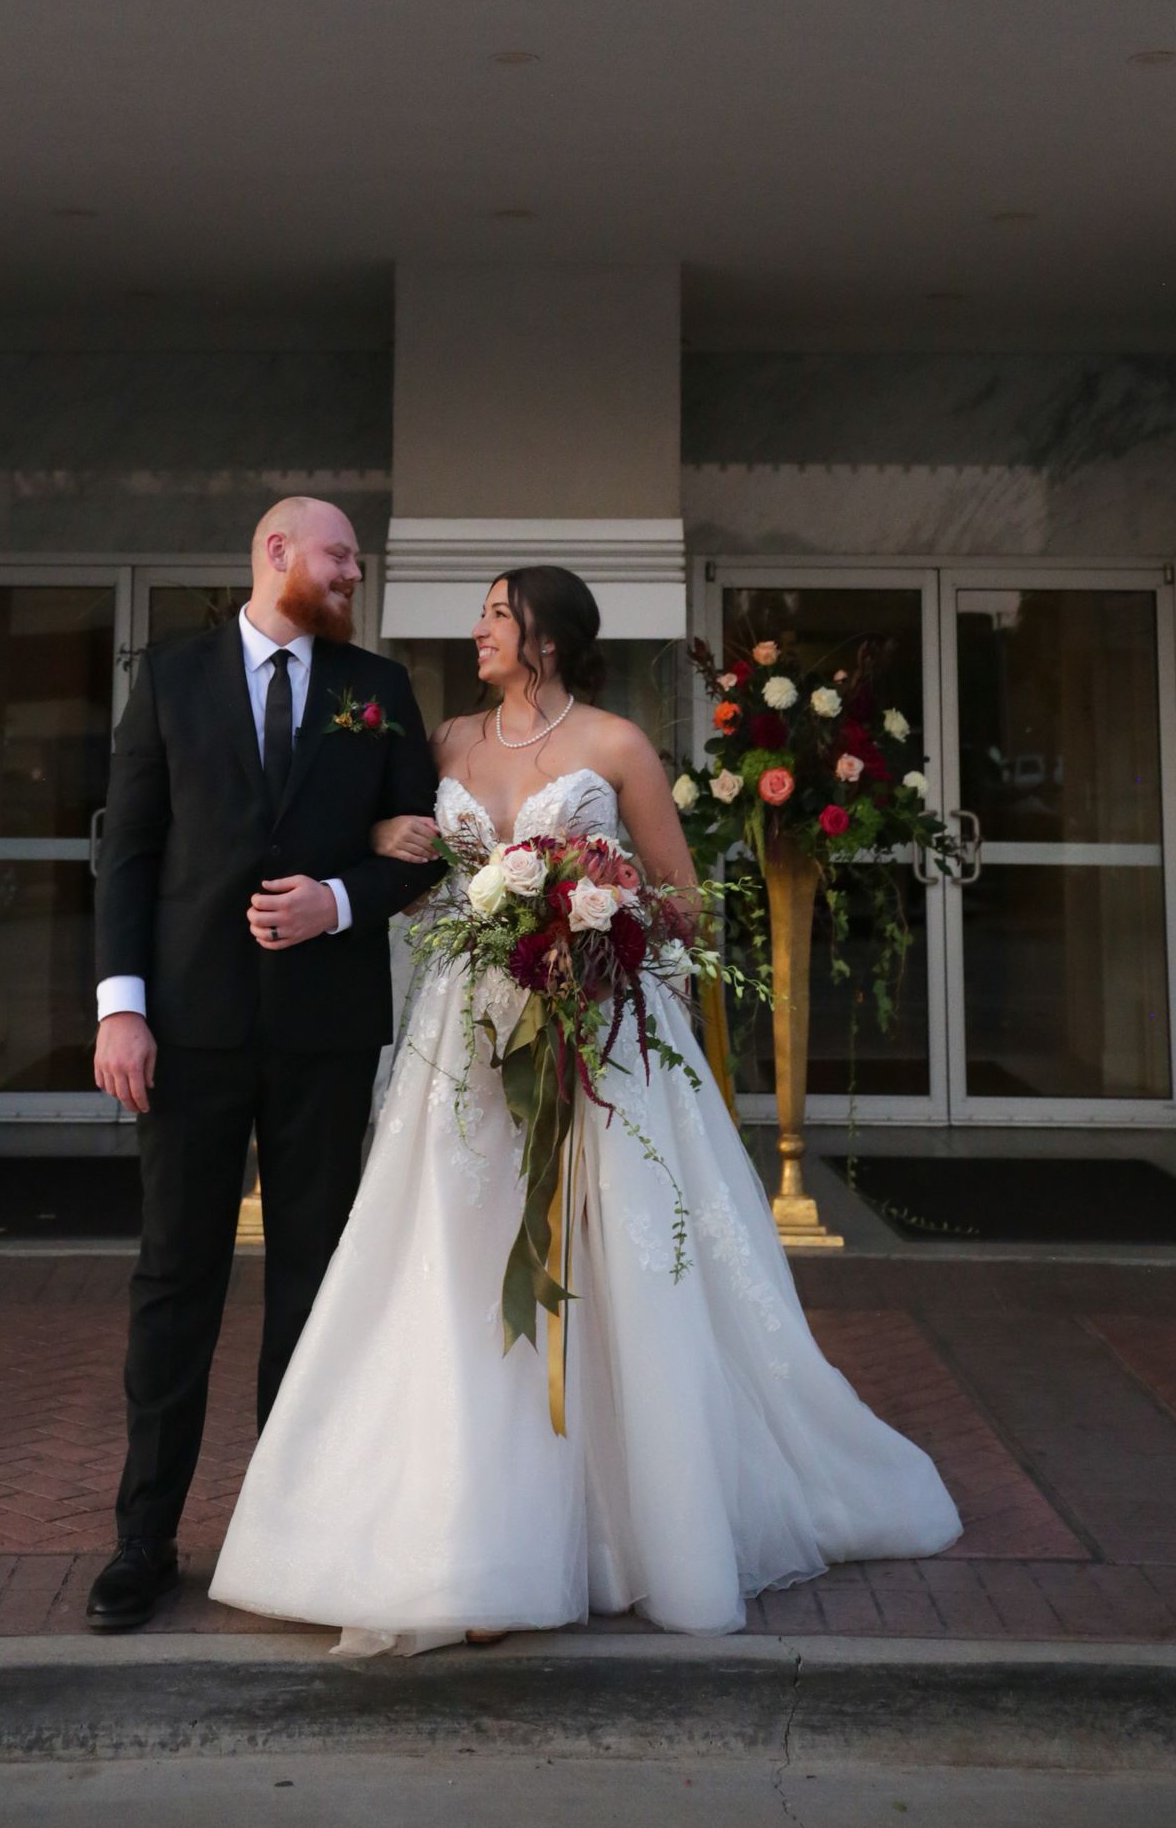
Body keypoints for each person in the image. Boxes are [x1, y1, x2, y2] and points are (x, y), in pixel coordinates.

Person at [211, 563, 961, 1648]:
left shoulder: (616, 747)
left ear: (547, 640)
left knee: (613, 1264)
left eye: (495, 616)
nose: (476, 631)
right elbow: (413, 859)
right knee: (455, 1262)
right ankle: (465, 1532)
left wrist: (590, 922)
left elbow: (685, 903)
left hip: (598, 1036)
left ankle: (625, 1517)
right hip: (464, 1042)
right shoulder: (446, 745)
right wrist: (381, 845)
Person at [86, 495, 438, 1632]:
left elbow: (421, 843)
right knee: (175, 1281)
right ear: (276, 553)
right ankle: (145, 1540)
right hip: (184, 1035)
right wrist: (119, 1010)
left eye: (357, 561)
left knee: (312, 1282)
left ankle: (294, 1535)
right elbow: (129, 851)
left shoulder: (378, 689)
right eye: (339, 556)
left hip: (326, 1038)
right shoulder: (175, 677)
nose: (353, 573)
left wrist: (339, 898)